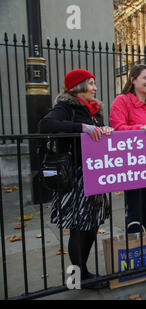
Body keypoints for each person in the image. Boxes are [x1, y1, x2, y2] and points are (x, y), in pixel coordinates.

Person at [39, 69, 114, 289]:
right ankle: (78, 277)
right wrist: (82, 128)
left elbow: (96, 135)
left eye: (94, 83)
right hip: (75, 177)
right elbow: (46, 125)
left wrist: (105, 130)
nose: (95, 87)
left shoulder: (94, 110)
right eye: (91, 83)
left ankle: (84, 272)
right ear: (78, 86)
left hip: (95, 173)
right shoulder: (65, 107)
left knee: (91, 226)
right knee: (78, 228)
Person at [109, 64, 146, 235]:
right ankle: (136, 251)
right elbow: (117, 128)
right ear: (133, 80)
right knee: (135, 211)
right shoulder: (122, 101)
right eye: (145, 78)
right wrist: (140, 129)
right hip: (134, 165)